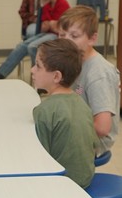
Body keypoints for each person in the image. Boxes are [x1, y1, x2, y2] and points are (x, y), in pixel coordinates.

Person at [31, 39, 98, 188]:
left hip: (61, 184)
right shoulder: (82, 103)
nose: (32, 70)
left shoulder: (44, 111)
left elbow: (39, 160)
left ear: (56, 76)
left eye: (38, 66)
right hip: (85, 178)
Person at [58, 5, 121, 156]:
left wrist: (62, 129)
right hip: (78, 128)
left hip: (94, 140)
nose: (66, 41)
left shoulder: (99, 73)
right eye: (61, 35)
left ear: (92, 38)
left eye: (74, 36)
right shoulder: (74, 61)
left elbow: (102, 128)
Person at [0, 0, 69, 80]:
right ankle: (0, 74)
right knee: (22, 46)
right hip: (48, 33)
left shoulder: (63, 4)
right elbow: (45, 26)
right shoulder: (47, 6)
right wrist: (51, 24)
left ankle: (40, 77)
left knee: (33, 46)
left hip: (57, 37)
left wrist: (52, 25)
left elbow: (61, 28)